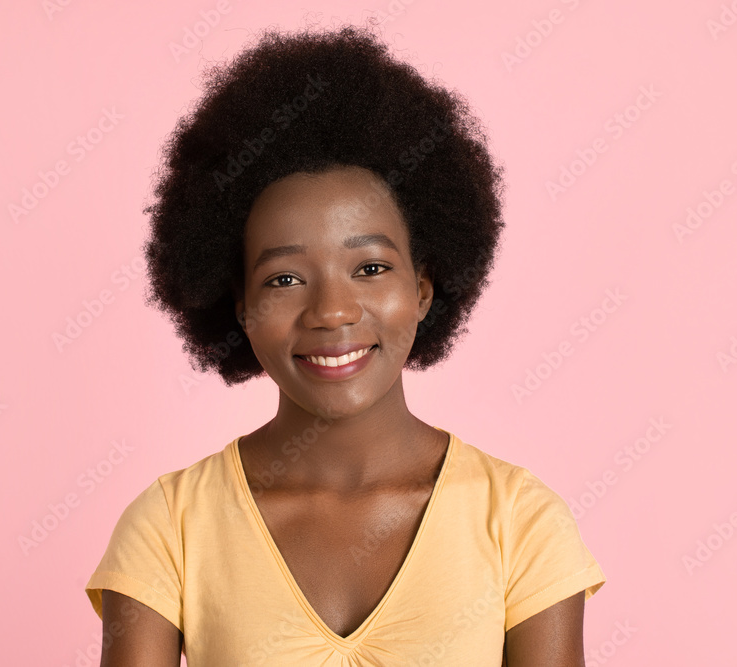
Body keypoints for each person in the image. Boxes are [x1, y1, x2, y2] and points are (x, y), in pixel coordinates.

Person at [84, 22, 605, 666]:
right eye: (284, 278)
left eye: (370, 268)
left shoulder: (520, 524)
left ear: (422, 288)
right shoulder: (170, 529)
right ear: (239, 304)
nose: (331, 311)